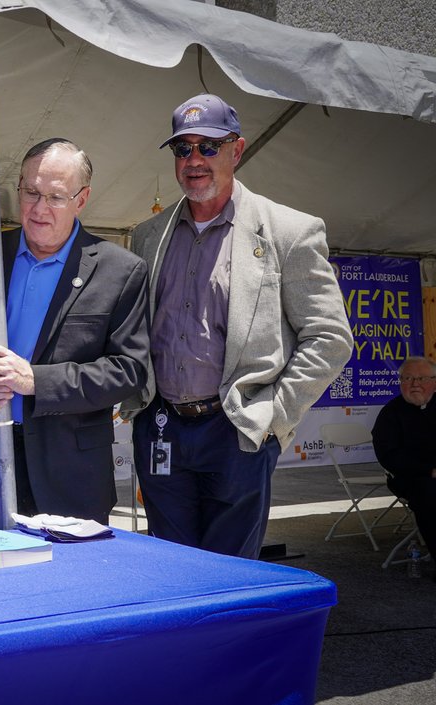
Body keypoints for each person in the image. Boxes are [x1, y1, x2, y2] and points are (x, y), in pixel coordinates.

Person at [124, 93, 353, 558]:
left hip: (238, 431)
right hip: (163, 426)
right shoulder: (148, 235)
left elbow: (330, 338)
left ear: (238, 150)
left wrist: (272, 417)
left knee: (230, 578)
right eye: (182, 149)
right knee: (170, 568)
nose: (194, 160)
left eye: (208, 147)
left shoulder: (289, 231)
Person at [0, 138, 151, 527]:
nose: (39, 208)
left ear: (82, 199)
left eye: (56, 197)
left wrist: (35, 381)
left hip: (70, 475)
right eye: (31, 192)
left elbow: (129, 371)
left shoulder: (120, 269)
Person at [372, 357, 436, 578]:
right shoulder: (391, 413)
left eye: (421, 378)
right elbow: (389, 455)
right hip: (411, 477)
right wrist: (429, 470)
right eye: (407, 378)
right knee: (429, 494)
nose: (414, 383)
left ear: (434, 382)